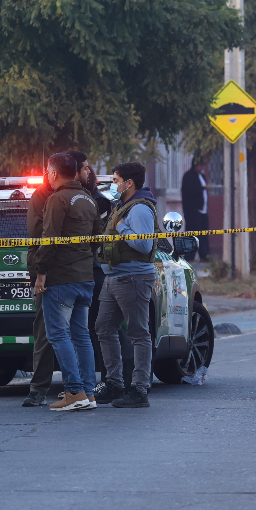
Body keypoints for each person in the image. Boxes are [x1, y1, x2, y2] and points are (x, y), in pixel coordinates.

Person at [34, 153, 99, 412]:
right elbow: (97, 238)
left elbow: (50, 240)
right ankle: (89, 393)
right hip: (85, 276)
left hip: (61, 278)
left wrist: (41, 273)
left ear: (52, 173)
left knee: (58, 334)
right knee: (81, 335)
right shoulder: (88, 199)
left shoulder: (57, 199)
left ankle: (74, 390)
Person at [95, 162, 159, 408]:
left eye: (115, 180)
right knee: (104, 328)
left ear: (128, 183)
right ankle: (114, 384)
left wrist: (121, 227)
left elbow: (143, 245)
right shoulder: (122, 206)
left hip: (133, 277)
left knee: (138, 333)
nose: (113, 184)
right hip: (115, 277)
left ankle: (139, 389)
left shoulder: (140, 209)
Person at [23, 163, 57, 407]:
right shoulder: (43, 197)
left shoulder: (81, 195)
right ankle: (40, 389)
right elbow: (40, 237)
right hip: (53, 273)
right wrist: (41, 273)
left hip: (64, 274)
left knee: (52, 333)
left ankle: (80, 388)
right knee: (48, 333)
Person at [180, 157, 210, 262]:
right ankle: (189, 256)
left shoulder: (202, 176)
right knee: (192, 233)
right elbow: (190, 191)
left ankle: (204, 255)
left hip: (203, 210)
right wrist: (203, 188)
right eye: (200, 165)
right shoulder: (188, 176)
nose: (201, 168)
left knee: (204, 234)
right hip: (192, 211)